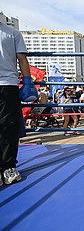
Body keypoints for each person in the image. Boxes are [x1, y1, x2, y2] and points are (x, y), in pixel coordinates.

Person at [0, 22, 38, 186]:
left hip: (8, 84)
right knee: (8, 126)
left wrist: (28, 82)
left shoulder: (12, 32)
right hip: (8, 85)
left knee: (9, 126)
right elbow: (22, 59)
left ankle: (8, 167)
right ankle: (8, 167)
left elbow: (22, 59)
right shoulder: (12, 32)